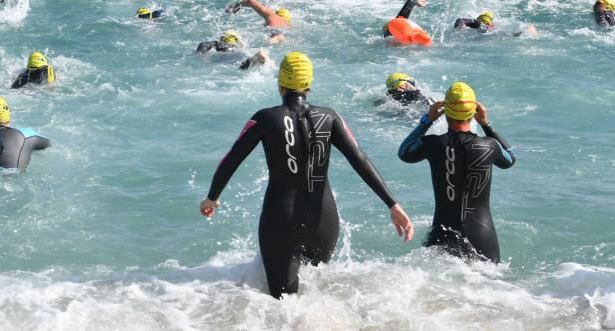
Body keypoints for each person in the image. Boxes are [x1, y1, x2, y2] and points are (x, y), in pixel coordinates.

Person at [200, 52, 413, 298]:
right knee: (316, 293)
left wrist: (212, 197)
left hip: (281, 218)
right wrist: (393, 204)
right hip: (324, 220)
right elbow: (359, 159)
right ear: (309, 84)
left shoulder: (265, 118)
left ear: (280, 82)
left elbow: (230, 160)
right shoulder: (330, 117)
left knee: (283, 304)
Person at [398, 82, 515, 263]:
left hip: (442, 232)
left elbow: (404, 153)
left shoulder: (432, 143)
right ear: (474, 112)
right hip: (482, 235)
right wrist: (487, 124)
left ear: (446, 111)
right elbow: (510, 159)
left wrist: (426, 121)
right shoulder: (489, 146)